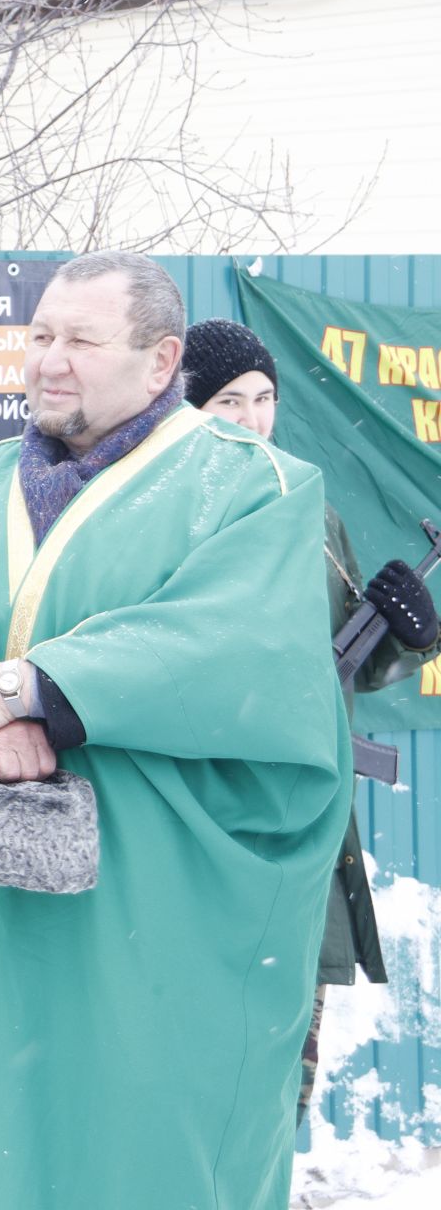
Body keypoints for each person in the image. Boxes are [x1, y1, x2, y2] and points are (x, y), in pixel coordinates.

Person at [0, 251, 348, 1210]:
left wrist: (30, 686)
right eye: (40, 335)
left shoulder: (253, 489)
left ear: (162, 363)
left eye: (81, 339)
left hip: (154, 913)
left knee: (142, 1154)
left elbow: (230, 639)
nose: (50, 360)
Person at [183, 317, 441, 1124]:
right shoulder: (158, 516)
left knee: (278, 1090)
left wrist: (408, 633)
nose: (254, 419)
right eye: (229, 401)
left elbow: (355, 668)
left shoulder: (312, 511)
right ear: (186, 410)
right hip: (208, 834)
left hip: (309, 833)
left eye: (265, 398)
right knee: (195, 1089)